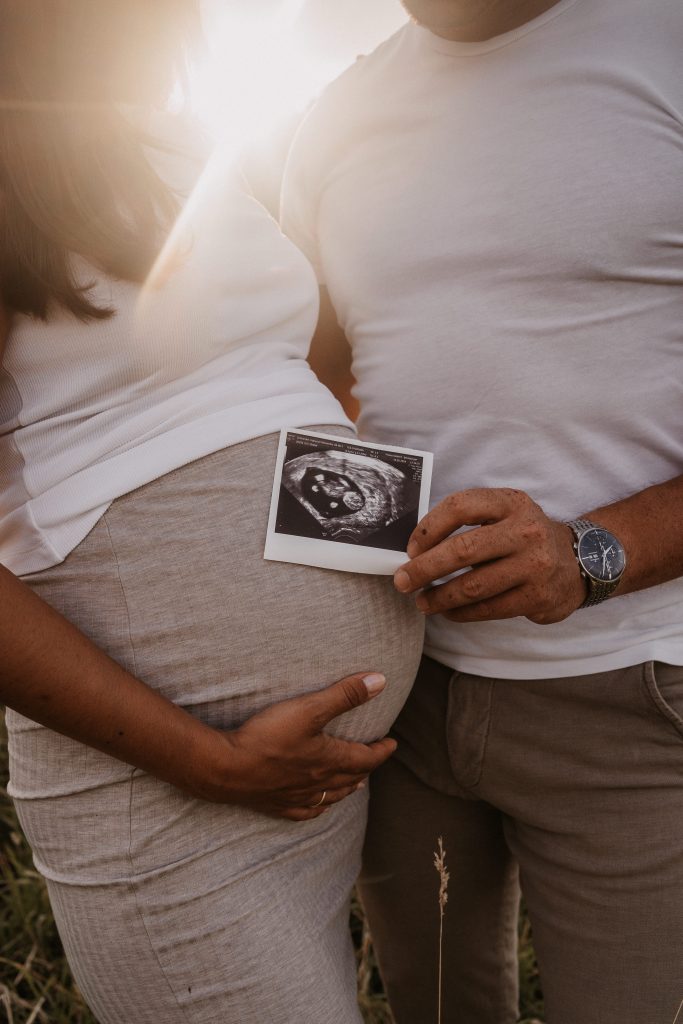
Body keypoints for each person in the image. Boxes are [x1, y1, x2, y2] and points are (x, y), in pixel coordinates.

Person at [0, 3, 424, 1022]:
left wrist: (374, 528)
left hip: (316, 775)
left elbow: (282, 380)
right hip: (168, 784)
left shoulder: (179, 140)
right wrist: (209, 760)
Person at [280, 1, 683, 1021]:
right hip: (397, 694)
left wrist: (594, 550)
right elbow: (311, 377)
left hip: (636, 700)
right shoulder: (334, 114)